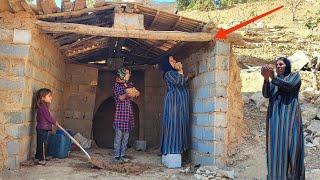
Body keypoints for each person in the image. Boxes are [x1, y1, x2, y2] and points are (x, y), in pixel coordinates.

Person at [261, 57, 305, 179]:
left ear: (287, 65)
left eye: (281, 64)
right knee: (276, 147)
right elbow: (266, 94)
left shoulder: (295, 76)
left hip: (290, 116)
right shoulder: (275, 80)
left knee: (293, 147)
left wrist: (273, 78)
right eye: (277, 65)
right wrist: (266, 79)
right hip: (275, 117)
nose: (279, 66)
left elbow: (289, 87)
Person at [160, 55, 194, 166]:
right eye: (171, 60)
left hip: (180, 105)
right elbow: (180, 81)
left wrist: (185, 75)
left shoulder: (174, 73)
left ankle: (179, 150)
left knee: (180, 126)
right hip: (174, 103)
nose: (174, 61)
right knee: (173, 125)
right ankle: (171, 149)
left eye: (174, 59)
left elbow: (183, 80)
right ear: (167, 64)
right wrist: (181, 71)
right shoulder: (168, 73)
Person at [112, 68, 139, 163]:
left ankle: (122, 155)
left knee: (126, 137)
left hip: (128, 115)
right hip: (120, 114)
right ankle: (116, 157)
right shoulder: (117, 86)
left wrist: (133, 92)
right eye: (127, 73)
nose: (129, 75)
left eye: (129, 73)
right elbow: (120, 98)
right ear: (122, 74)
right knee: (118, 137)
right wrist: (127, 92)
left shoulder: (129, 84)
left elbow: (134, 96)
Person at [34, 88, 58, 165]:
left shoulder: (42, 107)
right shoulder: (43, 107)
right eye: (49, 96)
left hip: (41, 128)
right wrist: (55, 122)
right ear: (43, 98)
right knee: (43, 144)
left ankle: (37, 157)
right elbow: (48, 117)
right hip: (43, 128)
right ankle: (41, 159)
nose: (51, 97)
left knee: (40, 143)